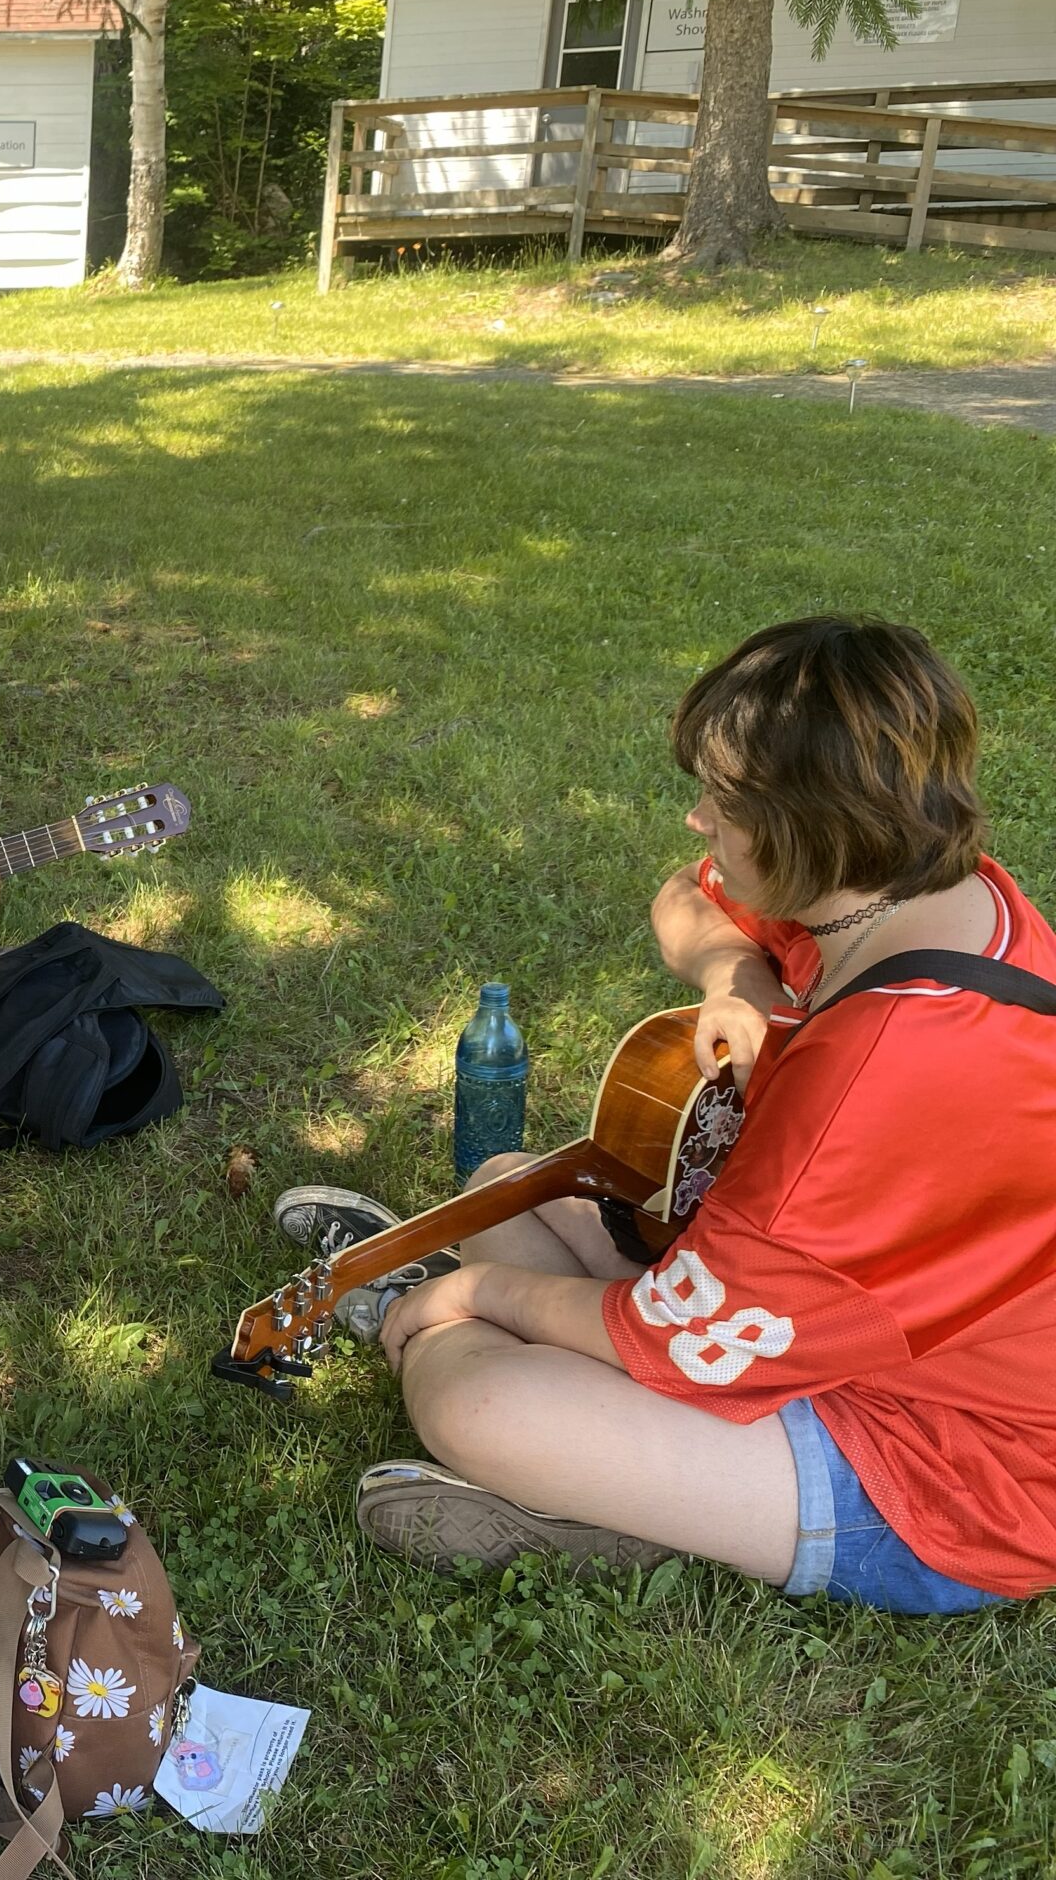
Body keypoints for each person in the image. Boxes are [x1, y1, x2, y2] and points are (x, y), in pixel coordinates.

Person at [279, 618, 1056, 1612]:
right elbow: (684, 899)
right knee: (497, 1191)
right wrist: (734, 972)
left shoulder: (869, 1084)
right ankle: (625, 1484)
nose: (697, 821)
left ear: (816, 827)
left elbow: (675, 1342)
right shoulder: (919, 894)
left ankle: (566, 1468)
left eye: (723, 803)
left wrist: (472, 1307)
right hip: (840, 1330)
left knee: (471, 1395)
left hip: (951, 1470)